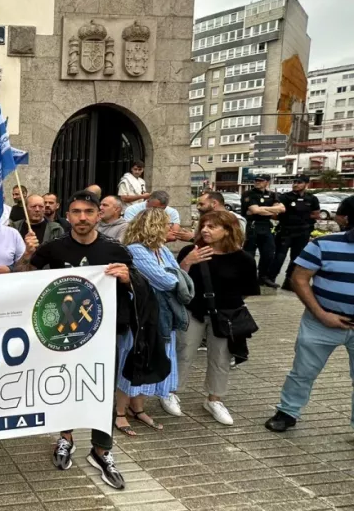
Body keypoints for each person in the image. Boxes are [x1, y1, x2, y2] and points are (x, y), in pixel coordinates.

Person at [25, 190, 132, 490]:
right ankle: (65, 437)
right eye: (76, 212)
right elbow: (23, 278)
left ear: (99, 215)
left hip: (103, 334)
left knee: (102, 389)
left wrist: (128, 279)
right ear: (68, 215)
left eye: (88, 212)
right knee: (64, 385)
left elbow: (137, 289)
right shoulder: (53, 248)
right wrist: (26, 254)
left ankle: (101, 450)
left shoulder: (116, 250)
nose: (82, 217)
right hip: (63, 334)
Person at [265, 223, 354, 433]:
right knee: (303, 371)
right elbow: (299, 278)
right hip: (321, 322)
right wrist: (321, 314)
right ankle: (287, 412)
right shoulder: (324, 244)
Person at [177, 211, 258, 426]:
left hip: (225, 315)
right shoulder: (190, 250)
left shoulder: (244, 259)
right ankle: (171, 392)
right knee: (183, 351)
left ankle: (214, 399)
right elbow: (176, 282)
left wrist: (224, 304)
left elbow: (247, 290)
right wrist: (186, 262)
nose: (205, 230)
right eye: (203, 225)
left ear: (228, 231)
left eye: (212, 226)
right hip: (193, 311)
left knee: (221, 357)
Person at [116, 209, 183, 434]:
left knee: (151, 359)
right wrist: (174, 276)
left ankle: (138, 408)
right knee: (134, 358)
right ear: (154, 226)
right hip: (140, 315)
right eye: (166, 224)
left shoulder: (161, 249)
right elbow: (167, 280)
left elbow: (176, 274)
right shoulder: (136, 250)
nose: (170, 229)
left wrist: (175, 276)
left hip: (160, 315)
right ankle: (120, 412)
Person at [272, 176, 320, 291]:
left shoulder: (311, 198)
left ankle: (289, 282)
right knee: (279, 256)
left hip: (302, 232)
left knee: (296, 258)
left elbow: (316, 214)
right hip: (286, 231)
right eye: (294, 182)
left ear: (306, 184)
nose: (296, 184)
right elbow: (275, 214)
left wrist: (303, 218)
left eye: (299, 182)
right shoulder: (285, 197)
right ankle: (270, 278)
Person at [241, 174, 285, 288]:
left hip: (266, 226)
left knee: (268, 253)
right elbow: (255, 210)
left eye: (261, 181)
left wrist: (263, 209)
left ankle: (263, 277)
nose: (257, 182)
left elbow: (282, 209)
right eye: (256, 180)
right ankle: (248, 278)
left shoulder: (272, 194)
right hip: (252, 226)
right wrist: (272, 210)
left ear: (267, 182)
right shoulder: (248, 194)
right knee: (249, 254)